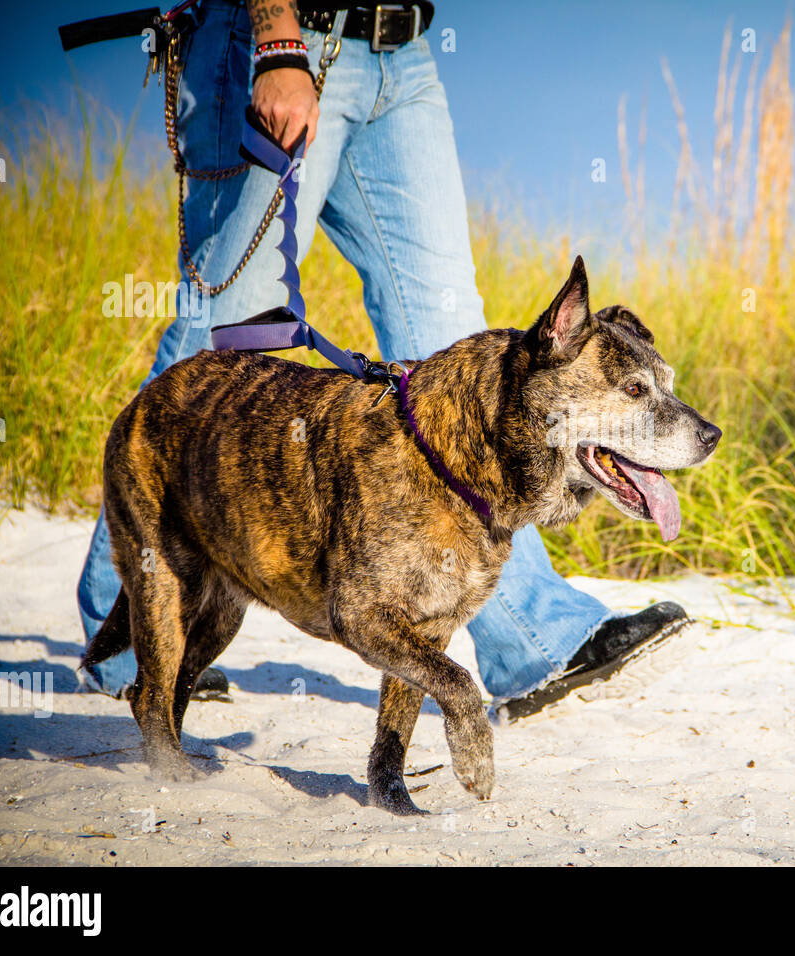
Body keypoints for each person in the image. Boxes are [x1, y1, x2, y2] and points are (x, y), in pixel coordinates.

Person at [76, 0, 687, 719]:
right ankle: (132, 641)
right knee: (224, 335)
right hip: (284, 39)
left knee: (475, 354)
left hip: (405, 53)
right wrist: (276, 41)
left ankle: (538, 639)